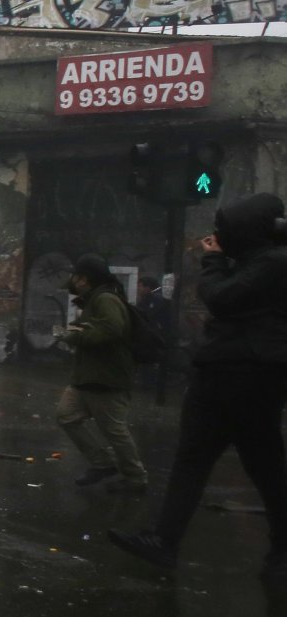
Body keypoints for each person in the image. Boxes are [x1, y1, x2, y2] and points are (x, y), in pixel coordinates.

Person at [110, 193, 287, 580]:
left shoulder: (273, 263)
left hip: (246, 374)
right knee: (206, 461)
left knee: (261, 466)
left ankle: (277, 548)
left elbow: (222, 298)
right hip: (230, 373)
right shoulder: (262, 260)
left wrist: (213, 260)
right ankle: (165, 541)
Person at [55, 253, 148, 494]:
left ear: (84, 279)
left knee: (114, 431)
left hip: (107, 378)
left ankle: (136, 478)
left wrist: (75, 336)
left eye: (75, 278)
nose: (73, 283)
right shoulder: (93, 299)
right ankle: (102, 464)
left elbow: (111, 329)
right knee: (66, 415)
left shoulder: (106, 299)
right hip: (87, 377)